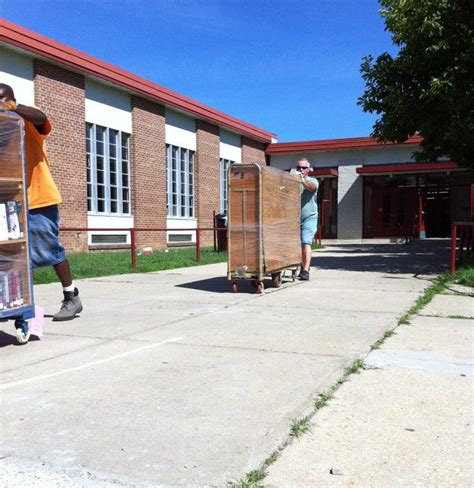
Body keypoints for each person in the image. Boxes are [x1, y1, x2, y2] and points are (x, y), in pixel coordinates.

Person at [0, 83, 82, 321]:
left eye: (2, 99)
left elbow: (42, 118)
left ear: (12, 99)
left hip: (38, 198)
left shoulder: (26, 120)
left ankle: (71, 296)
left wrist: (13, 108)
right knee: (13, 254)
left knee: (50, 250)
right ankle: (16, 300)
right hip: (9, 200)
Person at [295, 158, 319, 281]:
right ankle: (301, 266)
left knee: (305, 241)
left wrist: (302, 180)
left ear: (308, 169)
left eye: (304, 168)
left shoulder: (312, 181)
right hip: (294, 218)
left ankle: (305, 270)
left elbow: (312, 188)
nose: (301, 169)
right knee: (297, 245)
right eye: (299, 167)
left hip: (310, 217)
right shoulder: (293, 182)